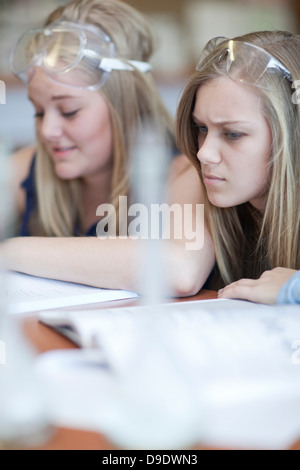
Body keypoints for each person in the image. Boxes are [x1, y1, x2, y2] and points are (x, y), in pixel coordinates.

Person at [3, 0, 209, 295]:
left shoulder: (184, 173)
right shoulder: (30, 166)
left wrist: (11, 252)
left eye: (69, 111)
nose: (47, 131)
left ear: (124, 107)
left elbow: (180, 269)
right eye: (38, 112)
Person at [176, 31, 300, 303]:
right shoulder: (224, 207)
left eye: (232, 134)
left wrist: (294, 288)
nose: (204, 153)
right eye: (201, 128)